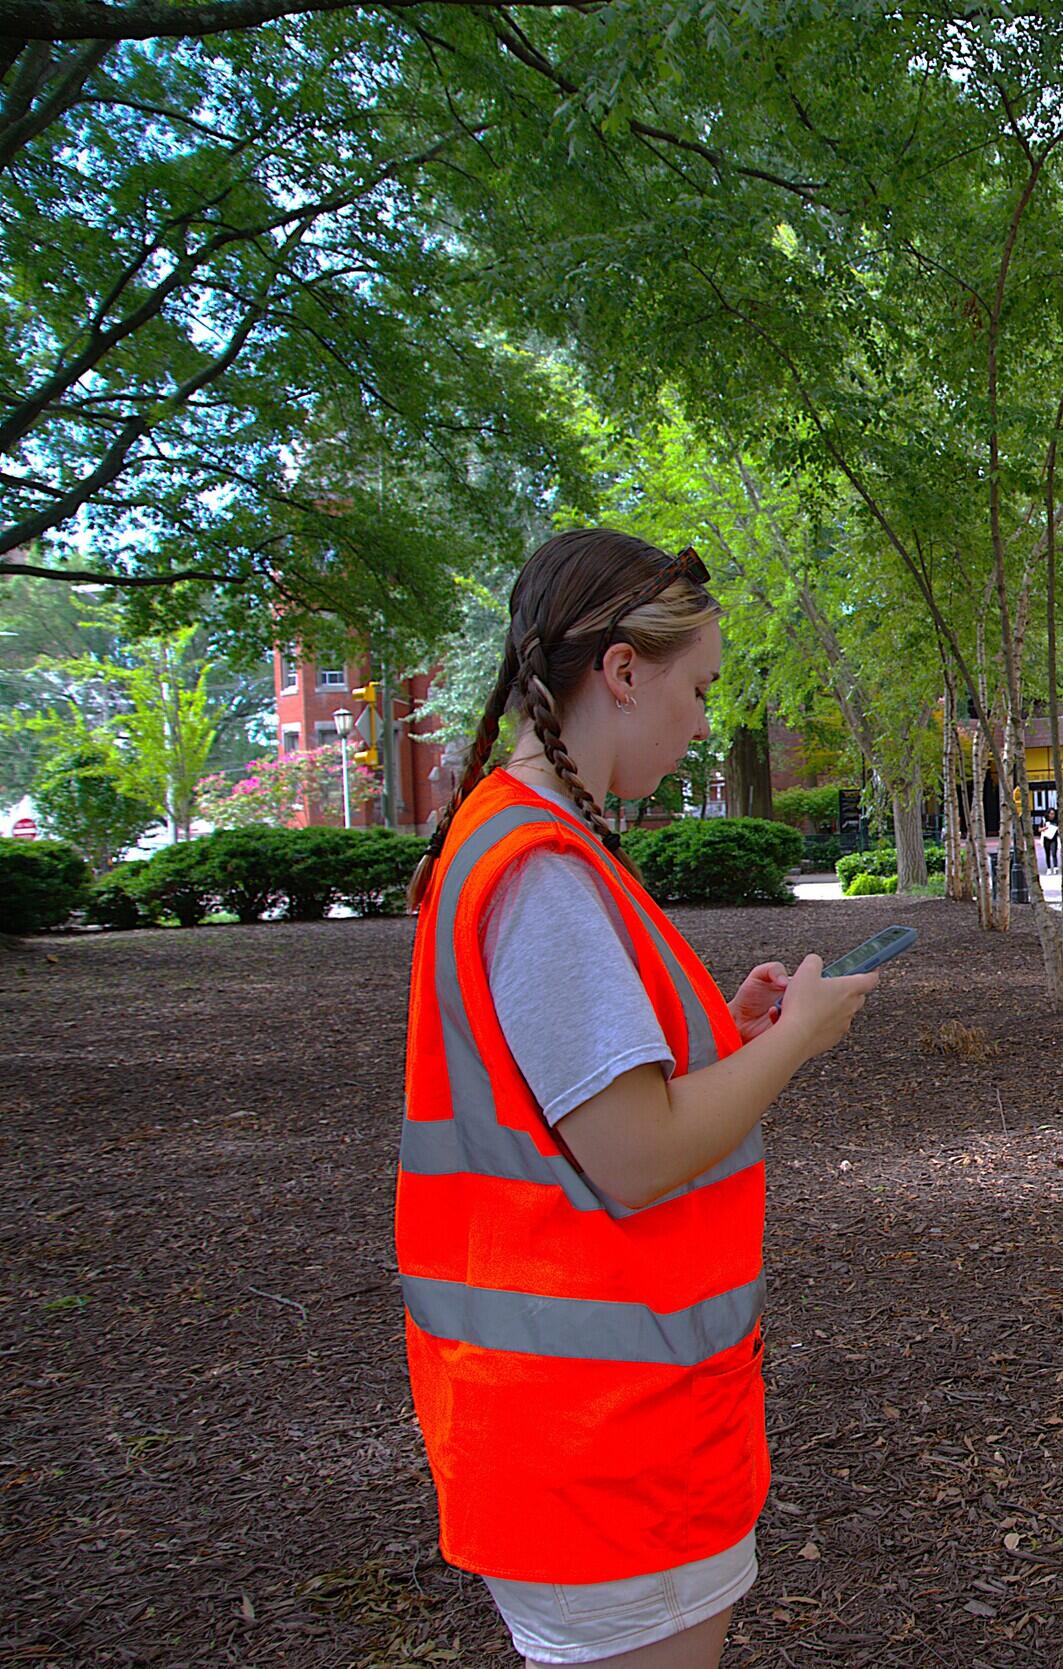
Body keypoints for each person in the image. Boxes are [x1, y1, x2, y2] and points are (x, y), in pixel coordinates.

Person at [396, 529, 880, 1668]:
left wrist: (731, 1028)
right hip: (602, 1451)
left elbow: (582, 1093)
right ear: (621, 672)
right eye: (699, 687)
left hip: (591, 1437)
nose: (706, 721)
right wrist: (797, 1043)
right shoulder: (545, 869)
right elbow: (634, 1153)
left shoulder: (521, 841)